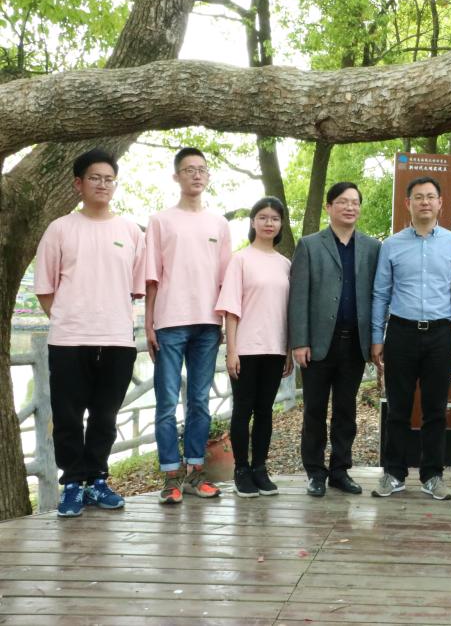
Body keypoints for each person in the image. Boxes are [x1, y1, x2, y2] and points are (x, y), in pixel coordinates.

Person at [34, 149, 145, 517]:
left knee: (105, 415)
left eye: (109, 179)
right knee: (67, 416)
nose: (102, 184)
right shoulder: (60, 229)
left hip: (117, 339)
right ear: (78, 184)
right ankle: (73, 484)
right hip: (69, 340)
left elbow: (135, 288)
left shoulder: (130, 231)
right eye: (95, 178)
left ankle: (97, 479)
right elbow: (45, 288)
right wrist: (68, 319)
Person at [370, 176, 451, 501]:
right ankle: (393, 474)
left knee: (435, 410)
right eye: (418, 197)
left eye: (430, 197)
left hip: (440, 334)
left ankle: (432, 475)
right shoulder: (391, 245)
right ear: (407, 203)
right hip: (400, 332)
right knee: (397, 408)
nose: (424, 202)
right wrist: (377, 337)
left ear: (440, 203)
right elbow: (381, 293)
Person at [146, 147, 232, 504]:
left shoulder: (219, 224)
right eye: (188, 169)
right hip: (170, 322)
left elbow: (226, 279)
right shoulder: (160, 221)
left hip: (208, 324)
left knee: (199, 401)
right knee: (166, 403)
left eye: (202, 169)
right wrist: (149, 324)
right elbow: (152, 276)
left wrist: (223, 320)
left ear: (208, 176)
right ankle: (171, 478)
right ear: (176, 176)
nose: (196, 175)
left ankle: (197, 474)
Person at [288, 182, 380, 497]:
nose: (350, 207)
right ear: (329, 207)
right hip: (317, 343)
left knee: (346, 410)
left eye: (355, 202)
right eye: (342, 201)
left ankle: (340, 470)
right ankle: (315, 472)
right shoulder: (310, 245)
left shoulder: (372, 247)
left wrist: (376, 339)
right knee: (314, 410)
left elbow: (377, 295)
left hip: (355, 342)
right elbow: (298, 296)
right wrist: (299, 341)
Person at [215, 197, 293, 498]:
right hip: (246, 348)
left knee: (265, 411)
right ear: (253, 222)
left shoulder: (285, 264)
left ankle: (260, 468)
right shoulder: (240, 260)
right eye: (263, 217)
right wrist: (232, 350)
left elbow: (288, 311)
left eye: (275, 218)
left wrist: (288, 351)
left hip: (275, 348)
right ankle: (241, 470)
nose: (268, 223)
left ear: (281, 224)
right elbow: (231, 309)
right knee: (243, 409)